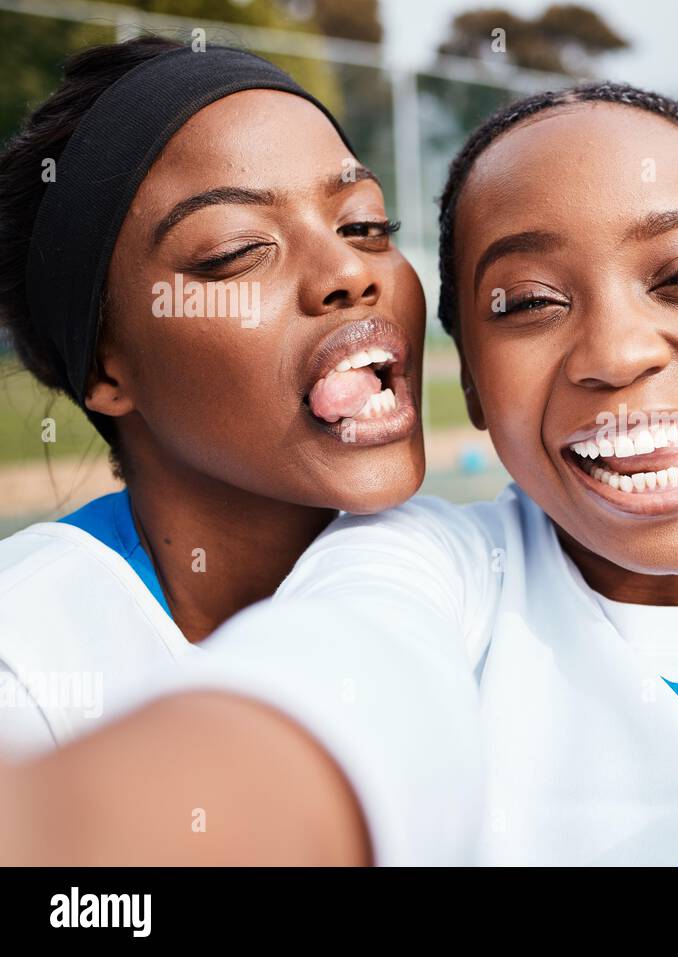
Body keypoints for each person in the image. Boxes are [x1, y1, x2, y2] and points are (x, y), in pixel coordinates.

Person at [0, 83, 678, 866]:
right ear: (469, 366)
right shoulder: (417, 573)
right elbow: (320, 710)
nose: (615, 352)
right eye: (526, 303)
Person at [0, 38, 426, 755]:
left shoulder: (488, 576)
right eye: (235, 251)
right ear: (108, 368)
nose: (348, 268)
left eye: (365, 225)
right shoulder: (31, 659)